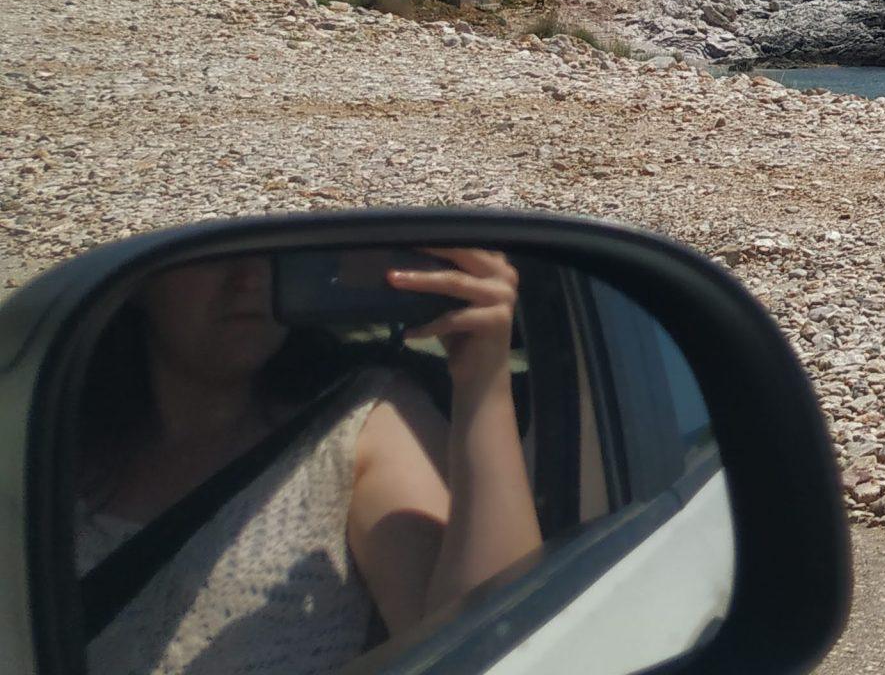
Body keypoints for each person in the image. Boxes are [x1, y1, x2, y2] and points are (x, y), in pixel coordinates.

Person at [73, 247, 542, 675]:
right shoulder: (59, 436)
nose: (249, 278)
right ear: (135, 276)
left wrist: (483, 381)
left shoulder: (360, 422)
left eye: (273, 252)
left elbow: (488, 648)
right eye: (212, 251)